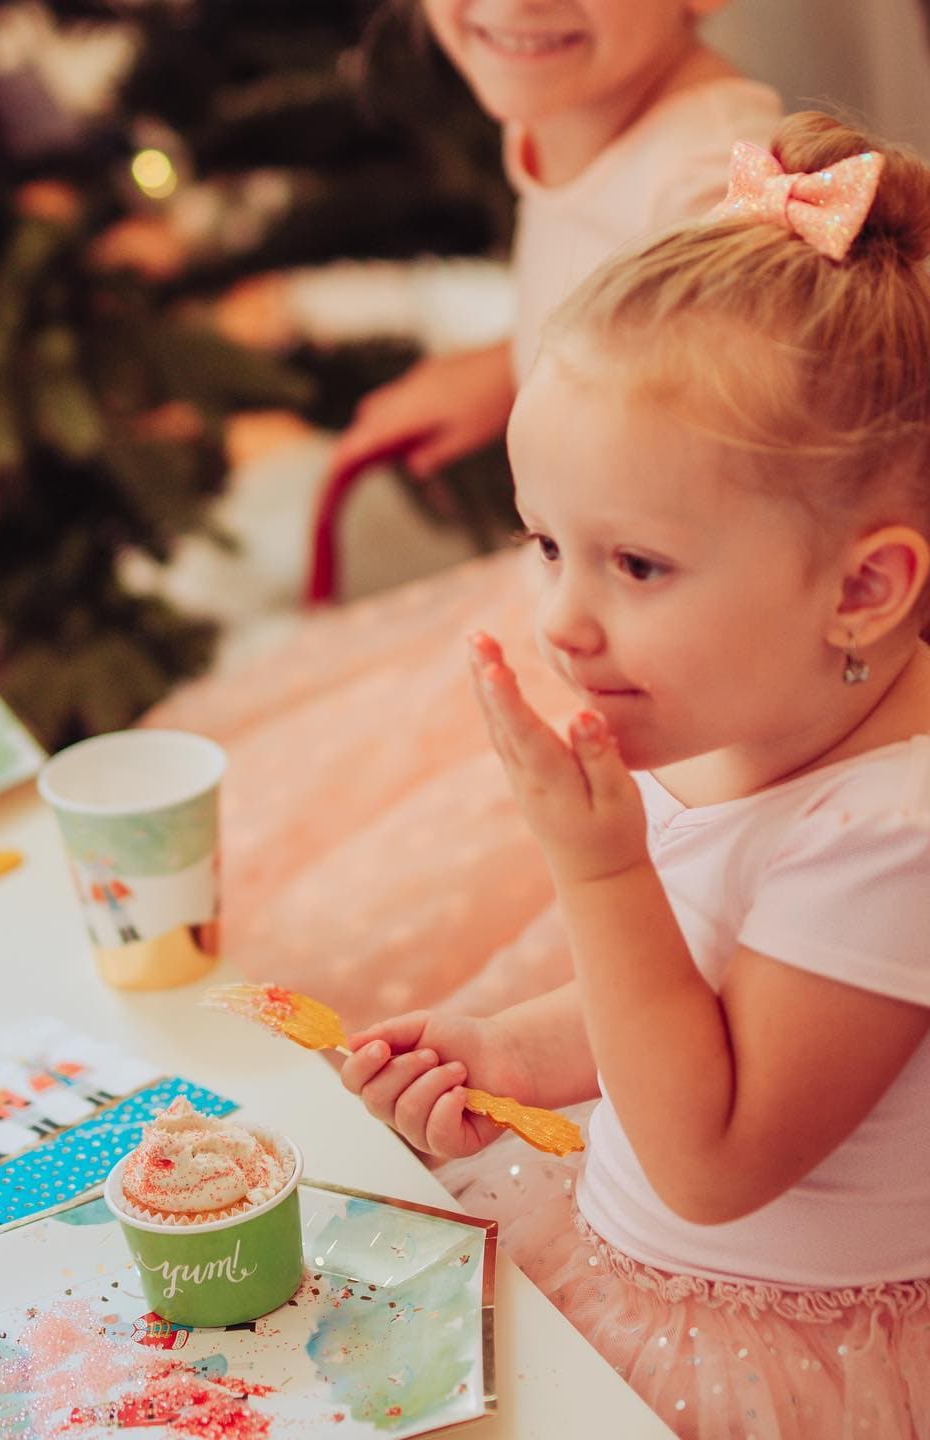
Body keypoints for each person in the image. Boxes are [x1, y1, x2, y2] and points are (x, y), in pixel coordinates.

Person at [341, 112, 930, 1439]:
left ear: (864, 588)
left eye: (638, 565)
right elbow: (687, 997)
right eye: (546, 543)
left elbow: (710, 1156)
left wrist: (596, 863)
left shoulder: (895, 837)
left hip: (775, 1361)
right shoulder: (738, 706)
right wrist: (508, 1049)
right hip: (624, 1261)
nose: (564, 619)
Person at [145, 0, 781, 1030]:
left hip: (636, 673)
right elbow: (631, 329)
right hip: (560, 596)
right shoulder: (580, 97)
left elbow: (762, 474)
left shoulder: (714, 182)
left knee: (318, 968)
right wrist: (508, 365)